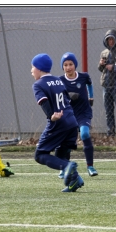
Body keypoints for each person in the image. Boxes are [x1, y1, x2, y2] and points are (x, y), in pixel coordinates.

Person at [31, 53, 84, 192]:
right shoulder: (58, 80)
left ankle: (68, 168)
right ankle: (75, 180)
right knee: (60, 154)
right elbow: (67, 99)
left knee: (40, 155)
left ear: (40, 68)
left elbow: (43, 102)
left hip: (58, 122)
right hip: (72, 122)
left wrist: (51, 116)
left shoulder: (38, 84)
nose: (31, 70)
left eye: (33, 67)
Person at [56, 52, 98, 179]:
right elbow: (58, 97)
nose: (68, 67)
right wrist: (68, 97)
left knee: (85, 134)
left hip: (83, 113)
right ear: (62, 67)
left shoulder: (84, 76)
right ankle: (64, 167)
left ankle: (90, 166)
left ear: (75, 65)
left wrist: (91, 97)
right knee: (68, 141)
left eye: (71, 64)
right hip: (69, 114)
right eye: (65, 65)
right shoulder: (60, 80)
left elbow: (90, 84)